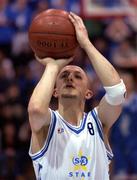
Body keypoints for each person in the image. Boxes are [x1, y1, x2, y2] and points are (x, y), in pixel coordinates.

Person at [28, 12, 126, 180]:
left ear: (88, 93)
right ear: (55, 91)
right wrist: (52, 65)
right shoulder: (47, 124)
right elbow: (36, 110)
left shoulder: (98, 123)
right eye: (64, 75)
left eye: (78, 76)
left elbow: (117, 93)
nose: (70, 78)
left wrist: (86, 44)